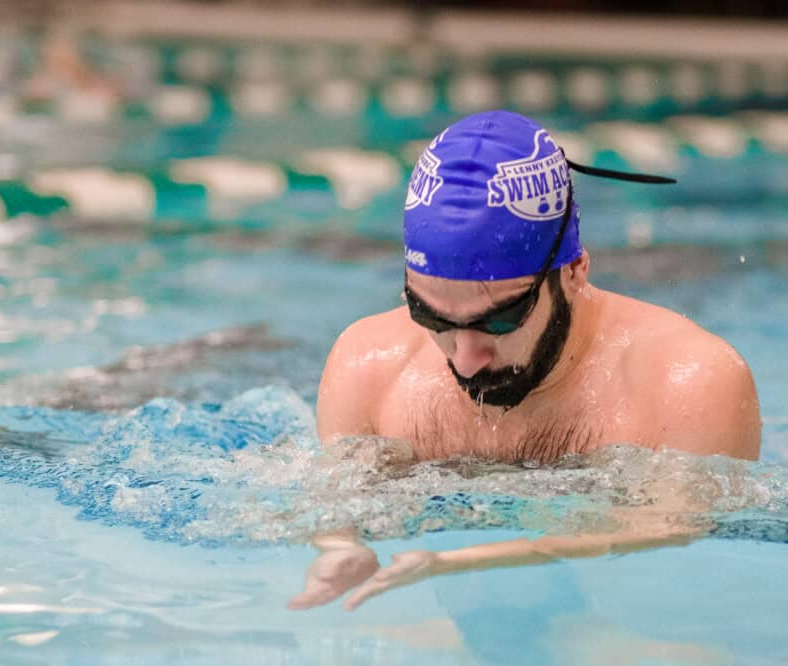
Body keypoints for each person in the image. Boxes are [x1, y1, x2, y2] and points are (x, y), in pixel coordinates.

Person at [289, 110, 762, 611]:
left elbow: (675, 537)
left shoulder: (686, 383)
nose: (466, 360)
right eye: (431, 318)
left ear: (575, 270)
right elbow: (334, 505)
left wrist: (463, 560)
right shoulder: (368, 366)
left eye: (499, 320)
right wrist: (339, 545)